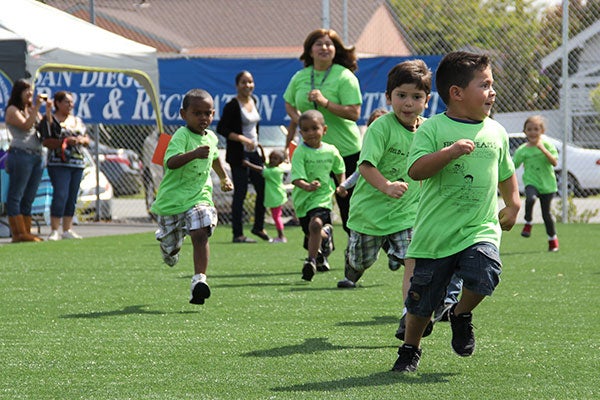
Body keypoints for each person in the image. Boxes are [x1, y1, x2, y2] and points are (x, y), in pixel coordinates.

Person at [391, 51, 521, 373]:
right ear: (457, 93)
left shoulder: (497, 132)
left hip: (479, 228)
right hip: (436, 234)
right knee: (421, 301)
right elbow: (416, 170)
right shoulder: (433, 129)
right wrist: (449, 153)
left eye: (492, 85)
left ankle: (460, 314)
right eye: (485, 85)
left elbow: (506, 175)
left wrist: (514, 203)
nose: (492, 92)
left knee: (486, 272)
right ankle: (410, 349)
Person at [150, 89, 233, 305]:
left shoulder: (212, 138)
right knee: (170, 252)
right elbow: (171, 162)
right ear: (183, 114)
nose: (203, 118)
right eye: (197, 113)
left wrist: (224, 178)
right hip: (172, 202)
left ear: (213, 114)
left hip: (199, 197)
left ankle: (199, 281)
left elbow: (214, 158)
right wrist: (194, 154)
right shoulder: (181, 136)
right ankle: (169, 250)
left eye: (208, 113)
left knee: (200, 230)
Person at [283, 28, 362, 236]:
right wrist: (300, 122)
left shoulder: (344, 76)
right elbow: (288, 103)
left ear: (336, 50)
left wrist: (325, 102)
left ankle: (354, 254)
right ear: (310, 50)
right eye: (319, 44)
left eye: (329, 44)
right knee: (312, 207)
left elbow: (354, 113)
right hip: (312, 152)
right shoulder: (300, 77)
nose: (324, 48)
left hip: (345, 152)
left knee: (349, 212)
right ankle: (321, 247)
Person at [291, 110, 345, 281]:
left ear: (324, 129)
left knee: (315, 225)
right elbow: (296, 178)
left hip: (322, 197)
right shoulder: (300, 152)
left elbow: (339, 169)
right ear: (300, 133)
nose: (311, 133)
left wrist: (341, 185)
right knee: (310, 231)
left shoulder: (331, 150)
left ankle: (311, 261)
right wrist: (306, 186)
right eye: (306, 130)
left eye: (315, 128)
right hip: (303, 201)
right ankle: (326, 236)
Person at [217, 70, 269, 244]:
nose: (248, 85)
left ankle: (258, 227)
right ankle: (237, 234)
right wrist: (242, 139)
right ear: (237, 85)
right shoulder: (232, 105)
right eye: (244, 82)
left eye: (250, 82)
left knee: (262, 188)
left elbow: (255, 129)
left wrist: (256, 144)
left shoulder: (254, 101)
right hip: (238, 155)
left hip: (254, 153)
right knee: (241, 192)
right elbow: (222, 129)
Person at [38, 91, 90, 241]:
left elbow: (87, 139)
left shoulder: (77, 121)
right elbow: (46, 141)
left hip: (77, 163)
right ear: (58, 103)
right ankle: (54, 229)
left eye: (71, 102)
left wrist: (80, 140)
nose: (70, 105)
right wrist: (64, 142)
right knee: (61, 194)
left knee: (72, 197)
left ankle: (67, 229)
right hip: (59, 163)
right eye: (67, 102)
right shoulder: (51, 119)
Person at [4, 79, 49, 243]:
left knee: (29, 196)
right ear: (19, 92)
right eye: (27, 91)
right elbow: (25, 126)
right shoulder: (12, 110)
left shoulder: (30, 109)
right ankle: (18, 233)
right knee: (16, 194)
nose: (31, 94)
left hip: (37, 155)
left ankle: (26, 231)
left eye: (31, 90)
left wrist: (47, 111)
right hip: (21, 154)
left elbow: (45, 127)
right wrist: (36, 107)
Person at [513, 115, 559, 252]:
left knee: (546, 215)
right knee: (530, 199)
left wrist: (543, 149)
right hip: (531, 182)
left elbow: (554, 162)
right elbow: (513, 165)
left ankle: (552, 240)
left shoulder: (548, 145)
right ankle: (528, 222)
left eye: (536, 129)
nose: (533, 132)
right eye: (529, 129)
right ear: (525, 132)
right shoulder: (522, 150)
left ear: (542, 131)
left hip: (547, 185)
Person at [336, 108, 388, 198]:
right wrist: (343, 186)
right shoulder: (367, 153)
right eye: (375, 127)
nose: (379, 132)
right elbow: (357, 174)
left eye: (383, 127)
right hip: (371, 199)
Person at [243, 149, 288, 243]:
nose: (271, 160)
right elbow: (264, 162)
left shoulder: (275, 171)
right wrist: (262, 151)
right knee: (276, 216)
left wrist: (248, 164)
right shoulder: (272, 167)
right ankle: (280, 236)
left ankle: (281, 236)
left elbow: (261, 170)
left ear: (280, 161)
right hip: (275, 196)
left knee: (276, 217)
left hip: (276, 197)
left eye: (275, 158)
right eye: (271, 157)